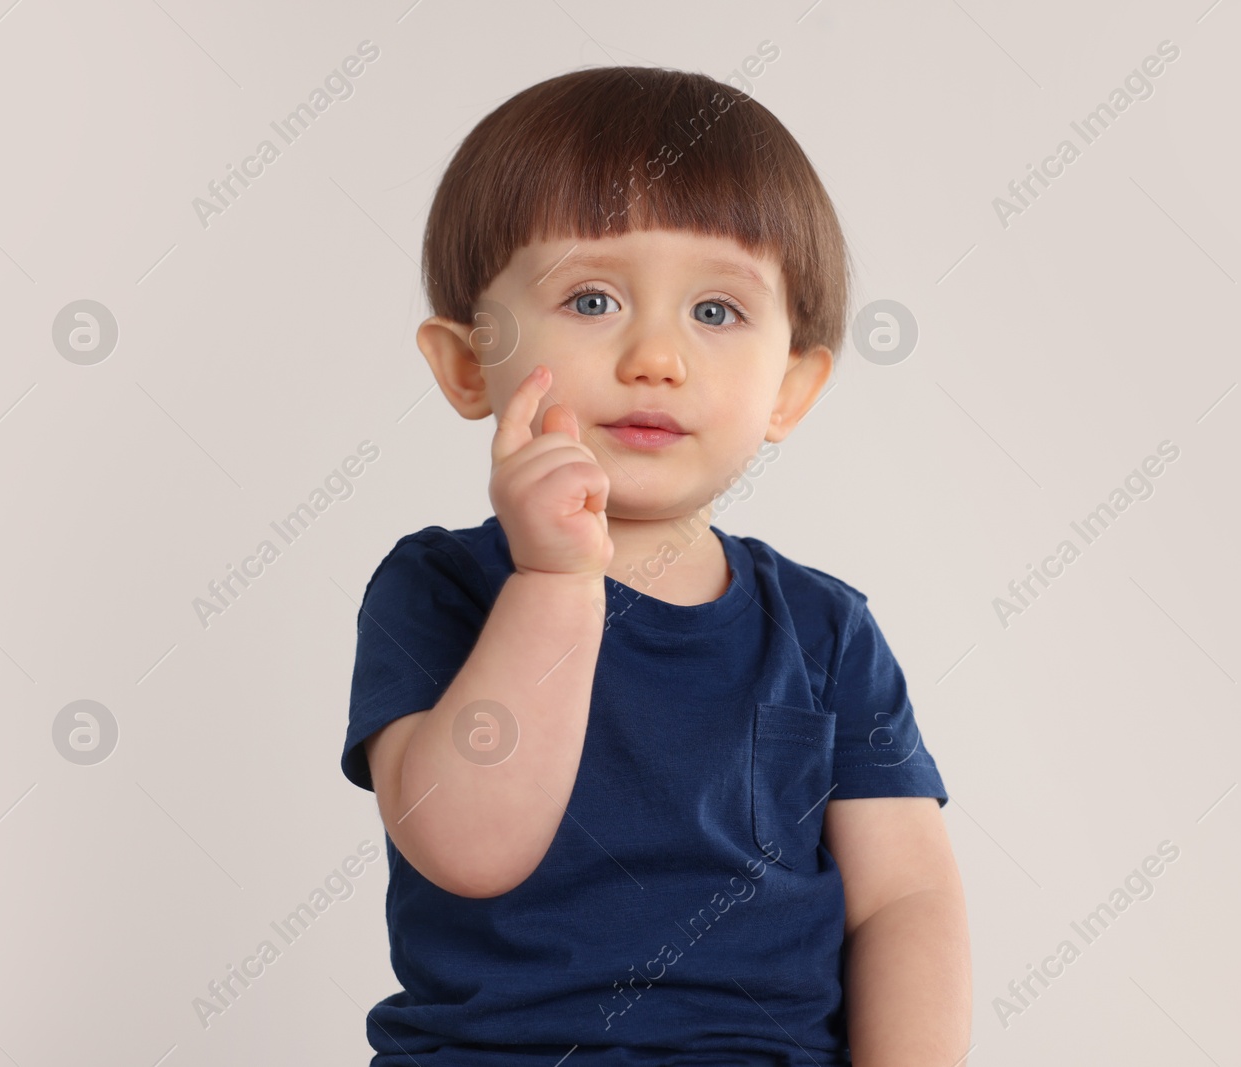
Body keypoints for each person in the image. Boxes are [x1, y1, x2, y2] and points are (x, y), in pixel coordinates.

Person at [340, 64, 971, 1066]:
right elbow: (468, 847)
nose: (656, 356)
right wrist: (553, 580)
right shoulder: (438, 588)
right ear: (467, 363)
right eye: (591, 298)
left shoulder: (824, 629)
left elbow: (903, 895)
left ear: (791, 389)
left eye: (715, 312)